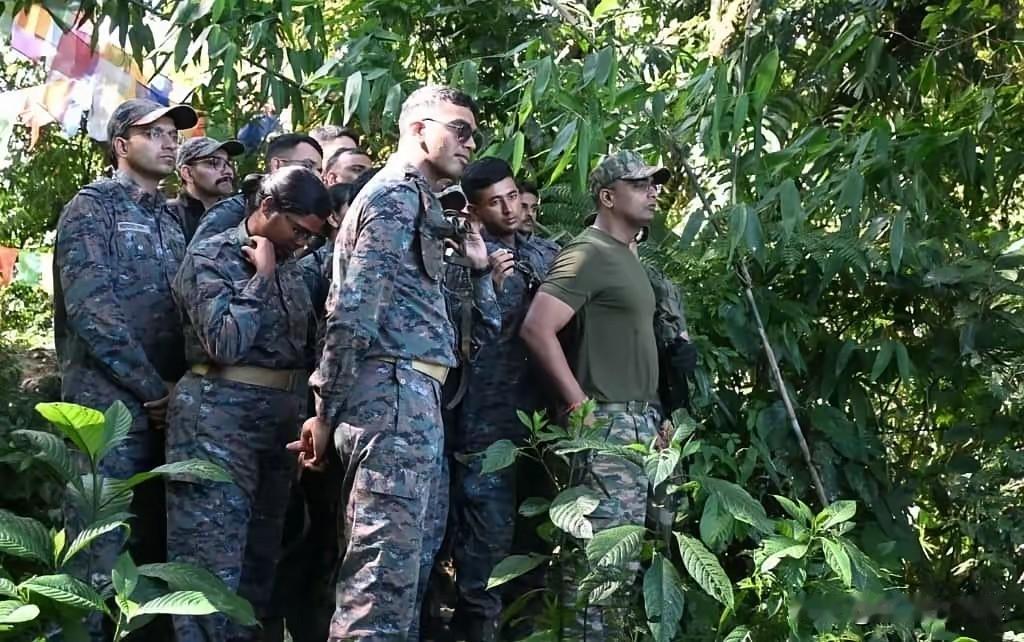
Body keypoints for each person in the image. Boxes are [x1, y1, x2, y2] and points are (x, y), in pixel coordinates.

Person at [292, 85, 498, 642]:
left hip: (414, 395)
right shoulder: (391, 198)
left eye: (472, 133)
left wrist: (479, 271)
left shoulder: (423, 204)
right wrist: (324, 408)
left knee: (404, 580)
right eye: (459, 129)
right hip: (390, 395)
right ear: (417, 130)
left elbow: (481, 328)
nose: (469, 143)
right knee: (378, 584)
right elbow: (353, 312)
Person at [165, 167, 332, 642]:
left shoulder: (299, 263)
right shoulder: (210, 256)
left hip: (278, 427)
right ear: (267, 208)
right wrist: (260, 279)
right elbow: (225, 342)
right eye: (297, 230)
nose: (301, 242)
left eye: (310, 236)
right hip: (217, 423)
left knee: (260, 564)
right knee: (208, 565)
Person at [52, 97, 198, 641]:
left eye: (172, 133)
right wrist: (151, 388)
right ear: (120, 146)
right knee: (98, 546)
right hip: (105, 407)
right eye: (153, 133)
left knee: (156, 550)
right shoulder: (93, 208)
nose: (168, 141)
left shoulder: (172, 217)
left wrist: (177, 389)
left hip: (166, 407)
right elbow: (95, 313)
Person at [520, 149, 671, 640]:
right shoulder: (587, 252)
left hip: (642, 425)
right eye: (640, 184)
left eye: (654, 183)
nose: (654, 191)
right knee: (600, 569)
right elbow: (538, 328)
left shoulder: (628, 255)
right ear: (607, 196)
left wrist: (658, 413)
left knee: (633, 566)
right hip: (606, 425)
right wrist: (578, 403)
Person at [444, 158, 558, 642]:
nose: (510, 209)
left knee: (534, 555)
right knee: (484, 562)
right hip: (483, 428)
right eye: (496, 202)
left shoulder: (547, 254)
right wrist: (482, 283)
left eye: (514, 197)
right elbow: (453, 339)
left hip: (541, 422)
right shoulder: (457, 259)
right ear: (474, 208)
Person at [191, 133, 324, 244]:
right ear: (277, 166)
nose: (317, 176)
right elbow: (195, 266)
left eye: (320, 170)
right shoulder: (229, 213)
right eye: (307, 166)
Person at [168, 136, 244, 241]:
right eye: (213, 163)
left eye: (228, 164)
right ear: (187, 173)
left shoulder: (239, 214)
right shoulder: (168, 215)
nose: (228, 171)